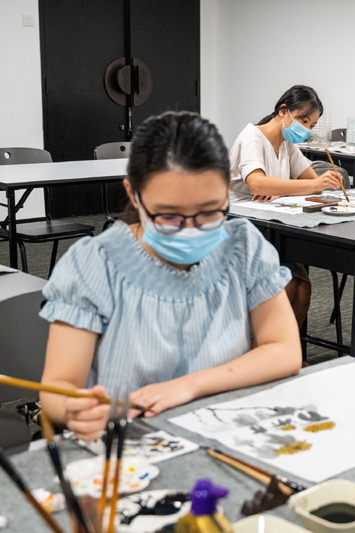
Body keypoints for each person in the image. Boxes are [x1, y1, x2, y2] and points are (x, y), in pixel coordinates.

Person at [39, 112, 302, 442]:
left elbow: (284, 350)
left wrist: (188, 386)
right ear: (134, 195)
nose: (190, 229)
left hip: (226, 436)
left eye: (210, 212)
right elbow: (58, 388)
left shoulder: (242, 247)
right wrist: (74, 410)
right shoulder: (94, 265)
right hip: (130, 446)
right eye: (169, 216)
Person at [229, 85, 344, 326]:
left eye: (310, 126)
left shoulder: (286, 144)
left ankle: (285, 355)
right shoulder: (252, 137)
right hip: (240, 229)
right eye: (303, 120)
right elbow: (258, 184)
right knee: (287, 284)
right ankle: (264, 351)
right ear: (283, 111)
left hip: (273, 228)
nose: (305, 129)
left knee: (302, 288)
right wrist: (290, 187)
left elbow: (313, 181)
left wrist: (327, 181)